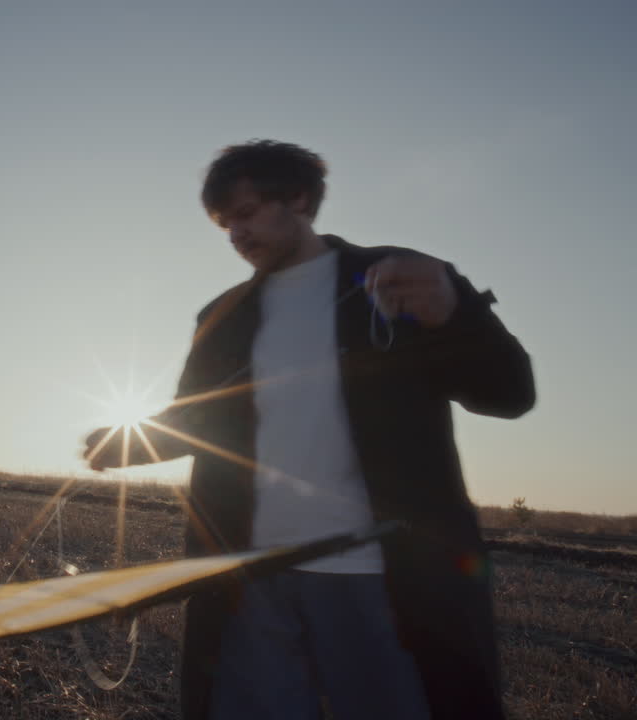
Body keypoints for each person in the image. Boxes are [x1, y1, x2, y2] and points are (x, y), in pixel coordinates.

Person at [84, 141, 534, 719]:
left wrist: (453, 313)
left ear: (297, 199)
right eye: (225, 224)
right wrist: (118, 444)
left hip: (383, 581)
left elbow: (509, 394)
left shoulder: (400, 277)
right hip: (249, 585)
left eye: (244, 214)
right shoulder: (220, 318)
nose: (235, 235)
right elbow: (198, 421)